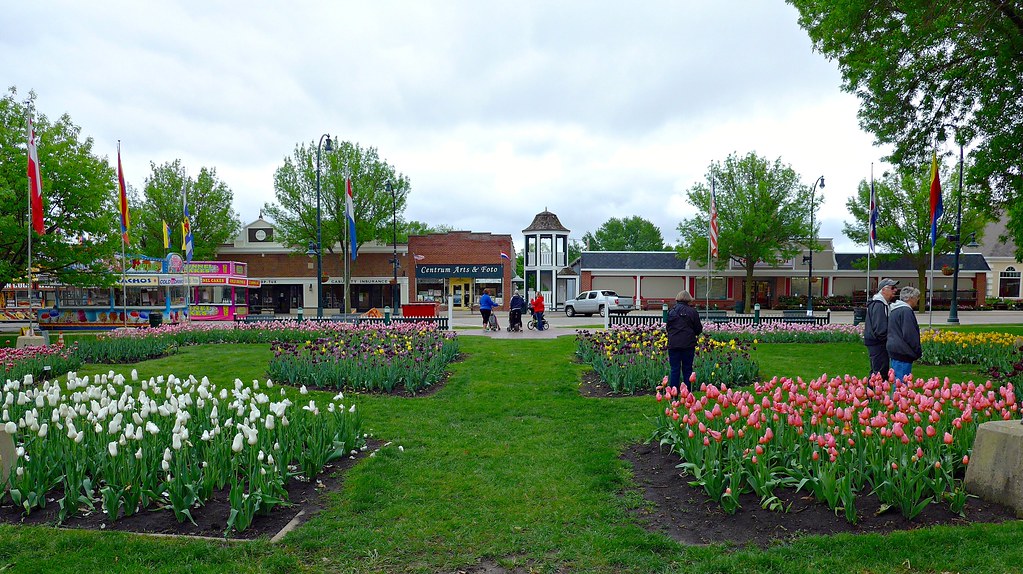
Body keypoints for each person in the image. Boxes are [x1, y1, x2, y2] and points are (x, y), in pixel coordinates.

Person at [665, 289, 703, 392]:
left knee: (675, 370)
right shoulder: (693, 312)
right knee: (687, 369)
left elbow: (668, 328)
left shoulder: (671, 311)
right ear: (689, 299)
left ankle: (674, 394)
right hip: (688, 344)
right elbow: (698, 329)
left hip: (674, 344)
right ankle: (687, 394)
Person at [863, 278, 899, 378]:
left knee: (877, 371)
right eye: (892, 288)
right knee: (880, 372)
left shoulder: (880, 303)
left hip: (875, 342)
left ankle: (871, 391)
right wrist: (888, 338)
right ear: (883, 290)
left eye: (895, 288)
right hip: (878, 343)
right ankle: (875, 392)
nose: (895, 290)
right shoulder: (879, 305)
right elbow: (880, 328)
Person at [886, 286, 922, 385]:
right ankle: (897, 400)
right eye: (916, 297)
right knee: (901, 382)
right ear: (911, 298)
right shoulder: (906, 311)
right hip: (903, 351)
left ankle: (894, 399)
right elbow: (909, 333)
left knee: (896, 379)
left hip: (894, 348)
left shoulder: (895, 310)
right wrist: (917, 350)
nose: (917, 300)